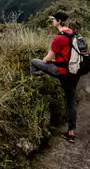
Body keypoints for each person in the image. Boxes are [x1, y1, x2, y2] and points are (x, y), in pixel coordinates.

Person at [29, 11, 80, 143]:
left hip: (61, 71)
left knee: (34, 62)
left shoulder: (59, 38)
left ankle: (32, 83)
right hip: (74, 72)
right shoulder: (73, 34)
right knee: (70, 101)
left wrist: (47, 60)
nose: (52, 21)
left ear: (58, 21)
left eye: (54, 19)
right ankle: (71, 132)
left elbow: (46, 60)